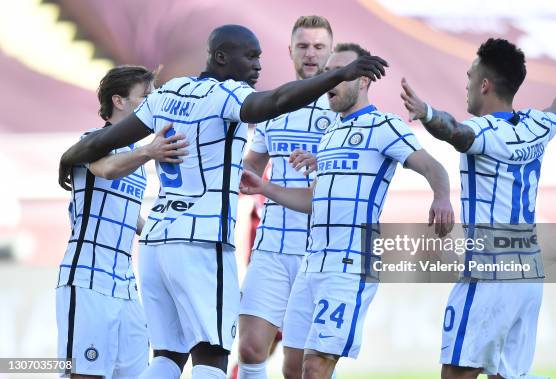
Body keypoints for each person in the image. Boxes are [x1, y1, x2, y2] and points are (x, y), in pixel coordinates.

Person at [57, 25, 387, 379]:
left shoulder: (167, 94)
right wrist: (338, 74)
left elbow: (101, 142)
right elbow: (274, 102)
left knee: (168, 355)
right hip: (201, 243)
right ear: (220, 57)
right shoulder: (227, 95)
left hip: (155, 244)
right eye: (250, 56)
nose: (258, 65)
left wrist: (67, 158)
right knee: (212, 357)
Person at [239, 43, 454, 379]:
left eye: (340, 75)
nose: (330, 82)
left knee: (315, 367)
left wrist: (441, 197)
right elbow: (316, 200)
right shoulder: (329, 134)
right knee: (293, 368)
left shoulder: (384, 126)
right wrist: (265, 188)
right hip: (311, 265)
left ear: (364, 81)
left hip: (349, 266)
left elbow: (432, 166)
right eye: (327, 75)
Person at [399, 38, 556, 379]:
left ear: (484, 84)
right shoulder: (536, 125)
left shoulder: (485, 132)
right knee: (505, 375)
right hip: (528, 274)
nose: (467, 84)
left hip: (489, 272)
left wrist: (425, 112)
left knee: (457, 374)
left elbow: (454, 131)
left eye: (471, 76)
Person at [56, 65, 188, 378]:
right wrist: (149, 151)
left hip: (126, 285)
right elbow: (106, 170)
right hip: (86, 278)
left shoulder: (138, 159)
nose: (153, 104)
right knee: (84, 373)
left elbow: (131, 216)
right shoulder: (92, 140)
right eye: (145, 97)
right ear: (119, 101)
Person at [237, 15, 336, 379]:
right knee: (249, 348)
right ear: (290, 50)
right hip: (271, 246)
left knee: (300, 367)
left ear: (330, 52)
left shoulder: (341, 110)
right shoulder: (272, 107)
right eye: (304, 46)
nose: (311, 54)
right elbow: (251, 164)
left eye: (319, 47)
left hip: (319, 252)